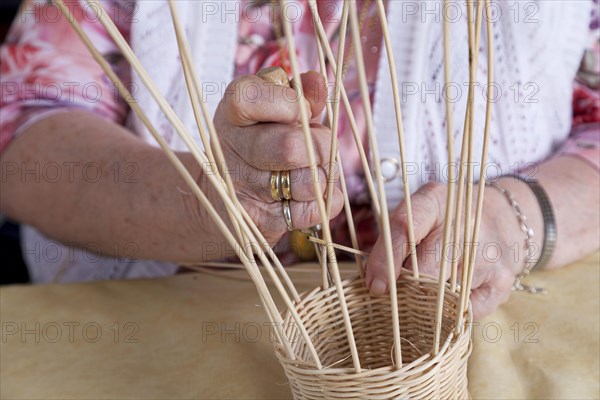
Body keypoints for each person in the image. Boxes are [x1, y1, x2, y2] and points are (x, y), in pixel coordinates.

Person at [0, 0, 598, 320]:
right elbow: (20, 119)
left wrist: (511, 219)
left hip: (486, 339)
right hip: (162, 342)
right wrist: (199, 198)